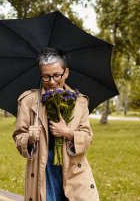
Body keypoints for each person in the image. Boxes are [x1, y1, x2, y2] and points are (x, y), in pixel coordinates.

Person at [13, 48, 99, 201]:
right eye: (46, 77)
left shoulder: (79, 101)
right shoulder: (29, 101)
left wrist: (67, 132)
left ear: (66, 72)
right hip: (43, 170)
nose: (52, 82)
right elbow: (19, 137)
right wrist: (30, 138)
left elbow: (87, 137)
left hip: (74, 171)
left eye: (56, 75)